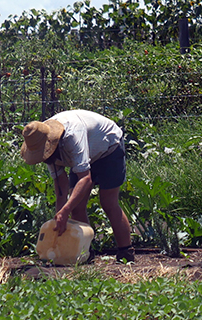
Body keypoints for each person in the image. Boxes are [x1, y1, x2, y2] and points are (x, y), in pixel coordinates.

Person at [20, 110, 134, 263]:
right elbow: (61, 184)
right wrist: (59, 215)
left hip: (108, 147)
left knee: (108, 202)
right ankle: (85, 254)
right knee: (76, 206)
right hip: (85, 154)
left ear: (52, 144)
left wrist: (65, 211)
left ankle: (126, 253)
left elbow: (85, 179)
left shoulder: (72, 136)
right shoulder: (42, 146)